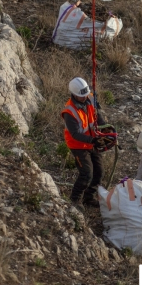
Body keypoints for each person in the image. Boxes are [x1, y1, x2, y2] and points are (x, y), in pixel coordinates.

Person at [62, 77, 107, 208]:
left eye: (86, 94)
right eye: (82, 96)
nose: (85, 97)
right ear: (74, 95)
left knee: (99, 172)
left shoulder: (90, 98)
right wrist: (93, 140)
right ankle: (75, 200)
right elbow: (75, 134)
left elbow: (97, 116)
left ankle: (89, 198)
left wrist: (105, 129)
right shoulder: (69, 112)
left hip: (92, 142)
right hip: (78, 145)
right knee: (87, 173)